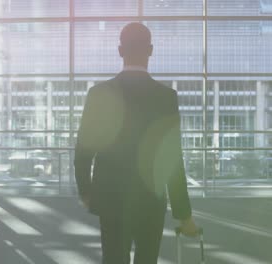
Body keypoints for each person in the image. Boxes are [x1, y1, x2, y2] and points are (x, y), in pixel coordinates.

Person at [74, 22, 199, 264]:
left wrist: (86, 190)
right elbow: (172, 160)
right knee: (147, 259)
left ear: (120, 51)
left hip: (110, 196)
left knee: (113, 259)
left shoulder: (98, 94)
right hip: (150, 199)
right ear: (150, 50)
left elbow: (83, 149)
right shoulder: (166, 97)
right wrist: (184, 215)